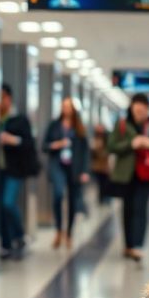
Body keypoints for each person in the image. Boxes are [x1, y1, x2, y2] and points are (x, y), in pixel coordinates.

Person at [108, 93, 149, 261]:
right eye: (137, 110)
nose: (140, 113)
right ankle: (128, 245)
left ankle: (137, 246)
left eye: (143, 110)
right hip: (126, 174)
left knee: (140, 208)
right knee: (128, 209)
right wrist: (131, 144)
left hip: (146, 173)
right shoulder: (121, 124)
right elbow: (111, 146)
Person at [0, 83, 39, 260]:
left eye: (2, 97)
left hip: (14, 169)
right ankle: (6, 244)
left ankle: (20, 234)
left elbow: (29, 143)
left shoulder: (19, 119)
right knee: (0, 206)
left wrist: (11, 140)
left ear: (8, 98)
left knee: (7, 203)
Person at [44, 97, 90, 249]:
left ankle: (69, 233)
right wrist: (56, 145)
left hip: (74, 167)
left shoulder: (79, 128)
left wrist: (84, 170)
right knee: (58, 194)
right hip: (58, 165)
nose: (66, 109)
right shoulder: (54, 125)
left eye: (69, 106)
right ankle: (58, 230)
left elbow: (85, 151)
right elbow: (44, 145)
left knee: (72, 200)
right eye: (64, 106)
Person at [90, 124, 113, 205]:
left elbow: (109, 152)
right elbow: (92, 154)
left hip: (105, 165)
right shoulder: (94, 139)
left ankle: (107, 198)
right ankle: (101, 199)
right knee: (100, 184)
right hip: (97, 166)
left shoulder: (107, 139)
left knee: (106, 183)